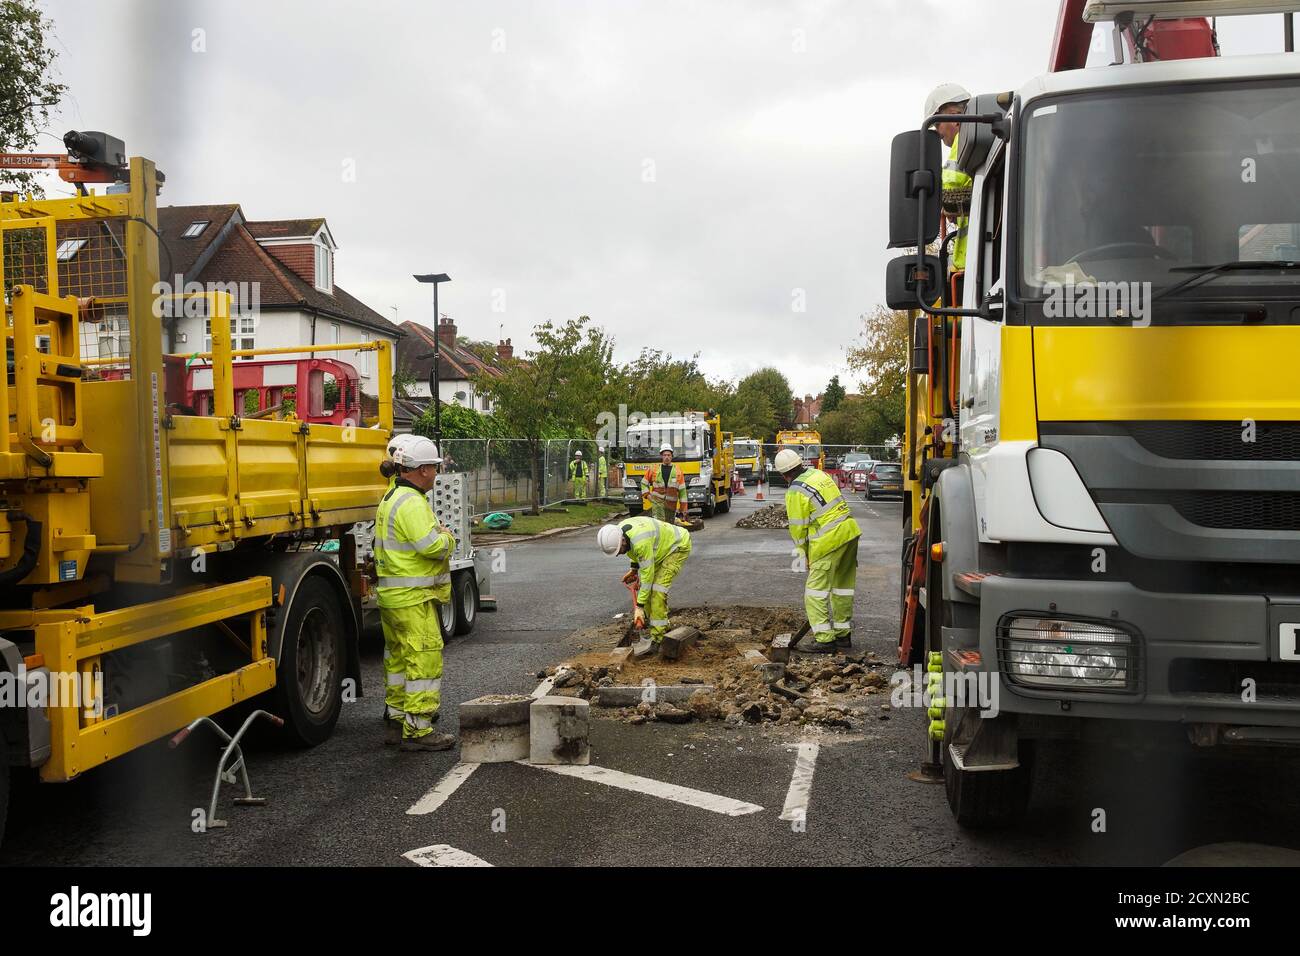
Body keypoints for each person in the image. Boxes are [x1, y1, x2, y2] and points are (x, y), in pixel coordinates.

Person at [373, 436, 458, 751]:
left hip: (393, 597)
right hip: (413, 598)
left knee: (397, 659)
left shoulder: (391, 496)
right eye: (434, 468)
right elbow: (431, 546)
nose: (436, 474)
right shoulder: (412, 503)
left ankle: (397, 721)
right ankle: (420, 730)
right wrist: (448, 538)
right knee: (424, 659)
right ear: (422, 469)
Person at [775, 447, 862, 654]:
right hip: (849, 532)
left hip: (828, 541)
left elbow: (798, 527)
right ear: (800, 463)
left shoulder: (795, 491)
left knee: (814, 593)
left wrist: (803, 553)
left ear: (783, 474)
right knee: (842, 588)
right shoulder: (819, 474)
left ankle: (824, 639)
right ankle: (843, 636)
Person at [597, 516, 692, 657]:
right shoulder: (622, 531)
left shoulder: (640, 542)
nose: (619, 554)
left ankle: (659, 640)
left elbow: (647, 576)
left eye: (619, 550)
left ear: (622, 540)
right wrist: (634, 569)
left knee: (657, 591)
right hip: (660, 550)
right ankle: (659, 628)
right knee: (646, 592)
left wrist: (639, 607)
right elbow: (633, 550)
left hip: (677, 547)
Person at [925, 82, 972, 273]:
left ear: (955, 118)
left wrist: (945, 206)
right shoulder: (978, 143)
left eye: (937, 124)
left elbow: (949, 192)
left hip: (978, 266)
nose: (938, 132)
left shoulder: (963, 141)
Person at [642, 442, 687, 523]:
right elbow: (643, 483)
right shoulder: (653, 469)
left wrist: (683, 510)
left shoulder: (678, 471)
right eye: (665, 455)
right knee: (658, 527)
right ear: (661, 456)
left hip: (671, 506)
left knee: (669, 527)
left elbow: (682, 492)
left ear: (671, 456)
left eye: (668, 455)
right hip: (657, 505)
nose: (667, 457)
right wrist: (648, 496)